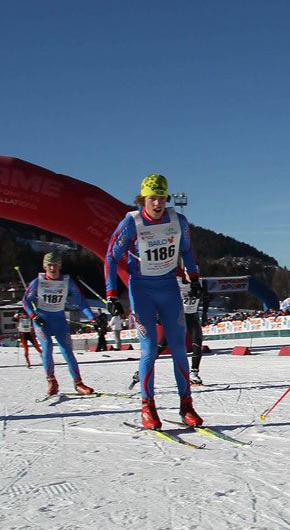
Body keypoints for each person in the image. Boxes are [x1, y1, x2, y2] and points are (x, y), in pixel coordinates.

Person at [105, 174, 204, 429]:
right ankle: (147, 406)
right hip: (141, 290)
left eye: (161, 198)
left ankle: (186, 405)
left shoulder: (178, 220)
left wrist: (194, 279)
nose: (157, 204)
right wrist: (111, 294)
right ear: (143, 199)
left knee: (180, 348)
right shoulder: (131, 223)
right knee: (149, 348)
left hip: (169, 288)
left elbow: (186, 251)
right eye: (152, 198)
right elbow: (111, 258)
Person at [22, 252, 96, 396]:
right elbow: (26, 301)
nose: (53, 268)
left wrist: (93, 318)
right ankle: (51, 381)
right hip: (42, 321)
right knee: (47, 347)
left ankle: (78, 383)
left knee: (67, 351)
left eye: (55, 264)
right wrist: (33, 315)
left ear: (60, 266)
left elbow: (80, 301)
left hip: (59, 321)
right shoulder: (37, 282)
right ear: (45, 267)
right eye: (49, 265)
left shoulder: (67, 282)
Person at [180, 274, 206, 384]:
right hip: (179, 317)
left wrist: (204, 315)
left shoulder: (200, 282)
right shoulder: (177, 282)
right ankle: (143, 370)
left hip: (193, 316)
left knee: (197, 342)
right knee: (164, 343)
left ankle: (194, 373)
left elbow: (206, 298)